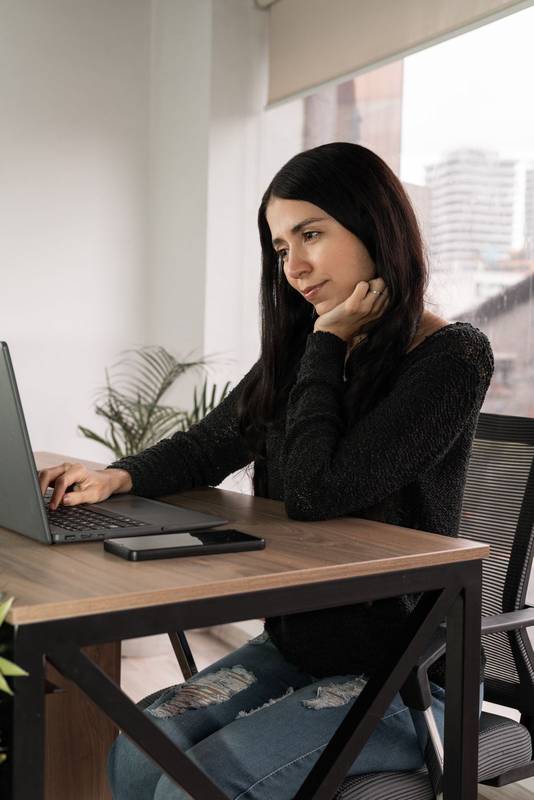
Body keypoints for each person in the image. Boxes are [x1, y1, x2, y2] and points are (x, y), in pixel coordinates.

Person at [38, 142, 493, 800]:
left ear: (374, 223)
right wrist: (118, 476)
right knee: (135, 754)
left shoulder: (450, 357)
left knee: (193, 787)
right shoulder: (306, 351)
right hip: (298, 650)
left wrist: (327, 343)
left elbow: (317, 491)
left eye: (312, 234)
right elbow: (211, 443)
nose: (296, 266)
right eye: (281, 248)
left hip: (409, 675)